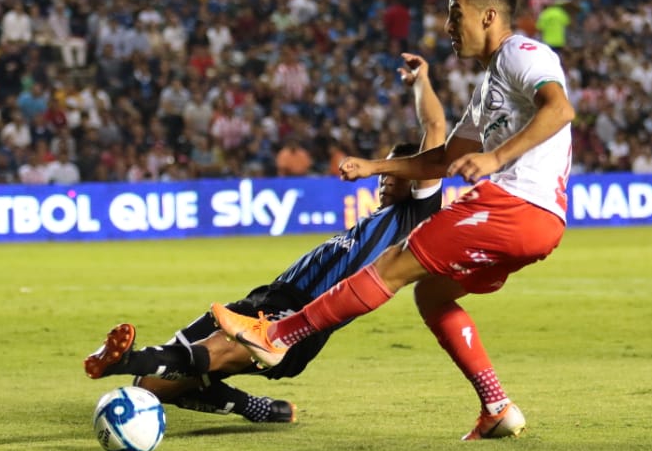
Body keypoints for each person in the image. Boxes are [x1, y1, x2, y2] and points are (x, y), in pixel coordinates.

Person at [210, 0, 574, 440]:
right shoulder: (488, 89)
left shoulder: (522, 53)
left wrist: (496, 157)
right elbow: (444, 159)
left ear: (488, 15)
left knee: (393, 263)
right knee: (432, 294)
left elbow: (560, 109)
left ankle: (278, 337)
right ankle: (497, 407)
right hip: (536, 221)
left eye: (454, 13)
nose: (447, 26)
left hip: (515, 204)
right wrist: (375, 168)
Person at [83, 53, 448, 422]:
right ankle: (255, 408)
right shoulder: (375, 222)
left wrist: (422, 83)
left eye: (395, 173)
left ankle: (122, 359)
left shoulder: (414, 218)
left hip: (301, 318)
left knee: (217, 352)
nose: (385, 179)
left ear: (415, 176)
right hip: (264, 296)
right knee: (149, 387)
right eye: (383, 172)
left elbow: (434, 130)